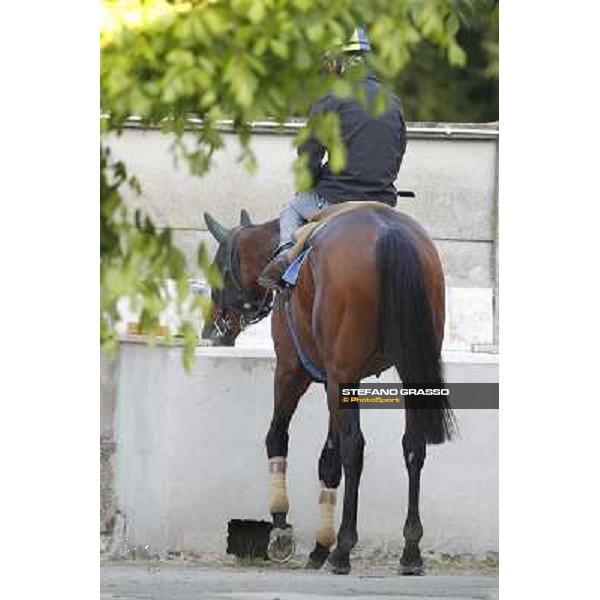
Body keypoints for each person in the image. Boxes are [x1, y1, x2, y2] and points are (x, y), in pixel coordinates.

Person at [258, 27, 407, 289]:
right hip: (383, 199)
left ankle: (284, 261)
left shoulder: (331, 98)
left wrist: (308, 181)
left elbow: (310, 152)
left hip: (338, 198)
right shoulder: (392, 101)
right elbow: (398, 149)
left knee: (292, 208)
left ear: (339, 62)